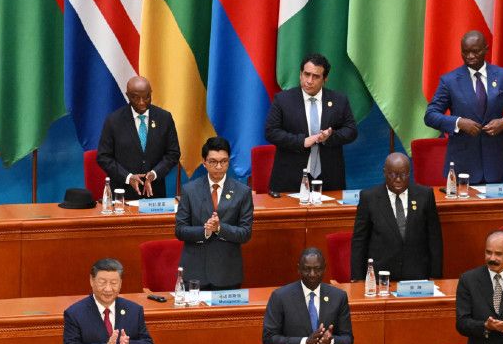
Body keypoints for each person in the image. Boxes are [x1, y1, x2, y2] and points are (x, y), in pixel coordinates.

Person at [424, 31, 503, 184]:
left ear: (486, 49)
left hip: (494, 164)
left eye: (475, 51)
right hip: (462, 166)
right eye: (465, 52)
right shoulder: (450, 81)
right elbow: (430, 115)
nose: (470, 56)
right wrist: (458, 122)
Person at [263, 53, 358, 193]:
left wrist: (330, 137)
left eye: (316, 76)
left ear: (325, 79)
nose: (309, 80)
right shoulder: (283, 100)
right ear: (300, 74)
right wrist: (302, 141)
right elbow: (271, 132)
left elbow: (351, 131)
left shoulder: (339, 100)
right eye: (306, 74)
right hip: (290, 178)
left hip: (330, 178)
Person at [174, 137, 254, 289]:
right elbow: (180, 230)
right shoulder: (190, 190)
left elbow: (245, 233)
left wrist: (219, 228)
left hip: (227, 273)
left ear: (228, 162)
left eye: (223, 161)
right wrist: (205, 231)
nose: (218, 166)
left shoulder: (242, 192)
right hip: (195, 273)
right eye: (213, 162)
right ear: (204, 163)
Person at [351, 153, 443, 281]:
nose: (398, 179)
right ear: (384, 172)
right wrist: (358, 278)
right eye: (393, 174)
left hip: (417, 275)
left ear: (409, 173)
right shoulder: (369, 198)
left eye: (403, 174)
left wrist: (435, 274)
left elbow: (434, 238)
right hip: (381, 276)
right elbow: (359, 241)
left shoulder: (424, 195)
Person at [96, 76, 181, 198]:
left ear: (151, 94)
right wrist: (128, 177)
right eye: (136, 97)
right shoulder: (114, 121)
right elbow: (103, 157)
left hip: (154, 194)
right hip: (123, 194)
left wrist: (154, 174)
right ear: (128, 95)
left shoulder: (164, 118)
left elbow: (173, 153)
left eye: (146, 97)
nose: (142, 102)